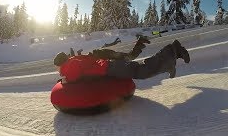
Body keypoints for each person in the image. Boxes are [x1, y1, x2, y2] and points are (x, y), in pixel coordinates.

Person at [53, 38, 190, 83]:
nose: (57, 70)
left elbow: (75, 74)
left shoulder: (70, 64)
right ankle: (170, 60)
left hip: (111, 67)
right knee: (141, 69)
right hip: (111, 67)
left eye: (57, 67)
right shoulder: (72, 61)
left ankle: (173, 50)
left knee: (141, 70)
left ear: (61, 63)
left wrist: (64, 79)